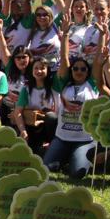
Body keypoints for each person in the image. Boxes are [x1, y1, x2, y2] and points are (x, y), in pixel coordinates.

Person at [42, 18, 100, 179]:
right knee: (46, 168)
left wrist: (102, 36)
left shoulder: (92, 85)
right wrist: (66, 34)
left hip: (84, 139)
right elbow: (64, 57)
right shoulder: (63, 84)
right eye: (75, 68)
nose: (79, 71)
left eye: (83, 69)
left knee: (77, 173)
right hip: (62, 137)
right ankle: (64, 156)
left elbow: (97, 60)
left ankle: (75, 157)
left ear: (87, 72)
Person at [12, 56, 59, 155]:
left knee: (51, 117)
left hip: (51, 127)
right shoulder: (26, 89)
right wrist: (23, 131)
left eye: (42, 68)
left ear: (48, 70)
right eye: (36, 68)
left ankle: (52, 143)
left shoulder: (54, 85)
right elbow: (18, 112)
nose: (39, 71)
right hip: (33, 127)